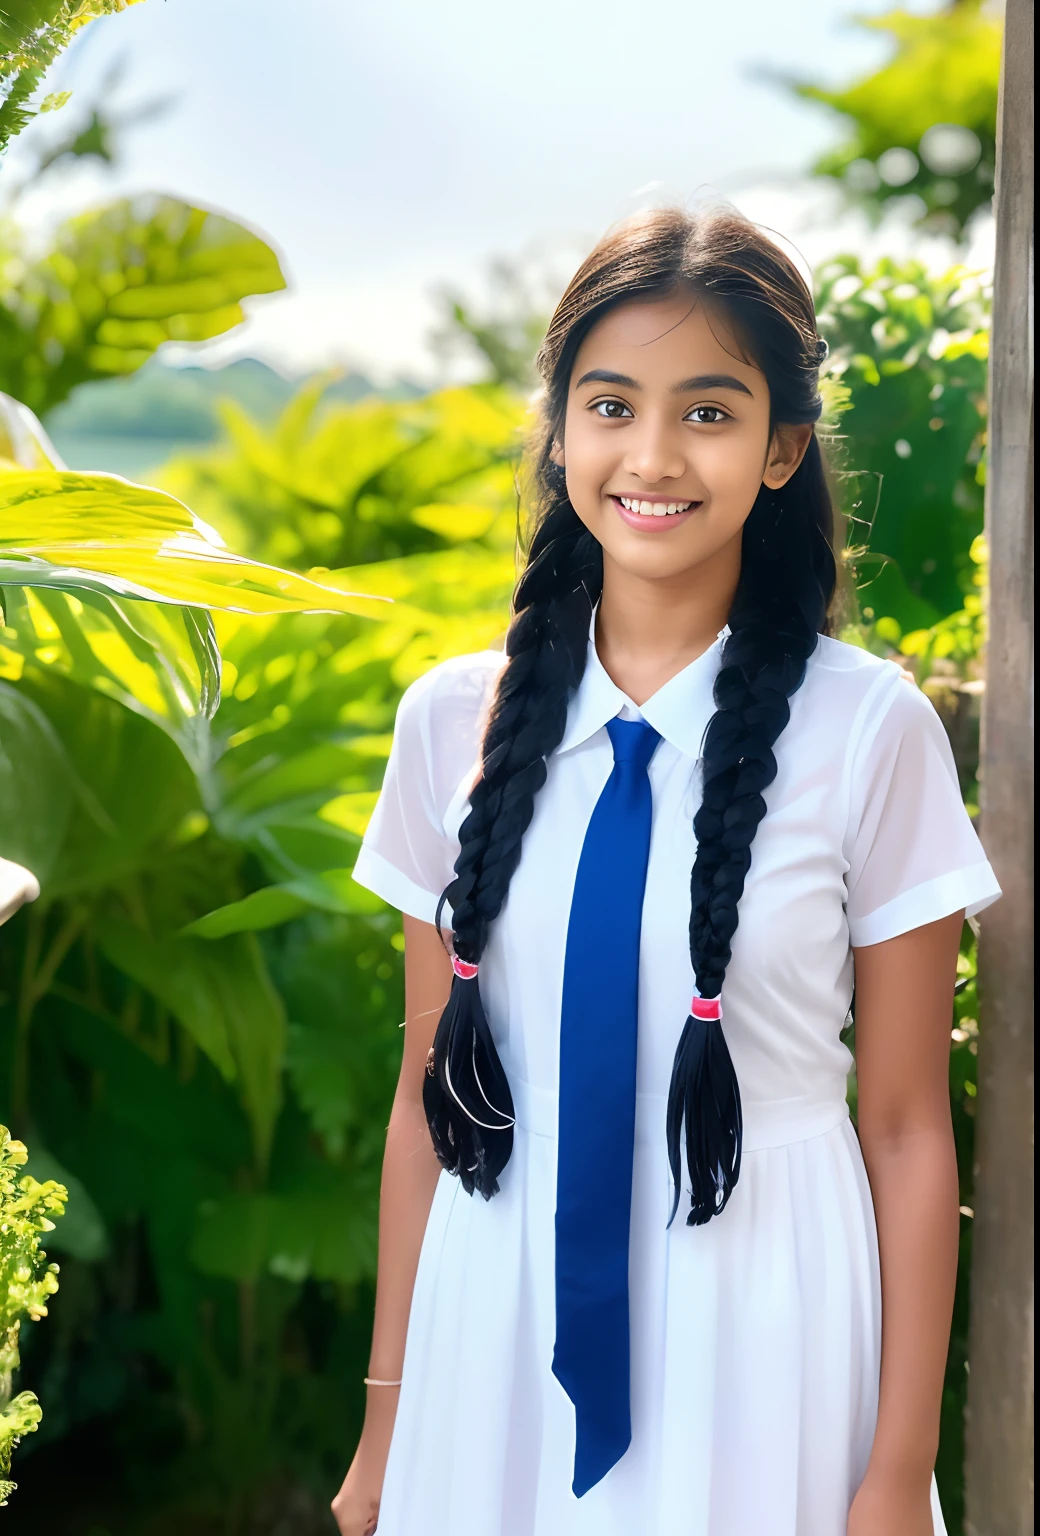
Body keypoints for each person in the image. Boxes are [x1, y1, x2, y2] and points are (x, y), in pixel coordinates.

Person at [330, 207, 1000, 1536]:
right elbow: (427, 1105)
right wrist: (389, 1424)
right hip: (496, 1325)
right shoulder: (445, 723)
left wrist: (892, 1474)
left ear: (781, 447)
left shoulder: (869, 734)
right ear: (562, 430)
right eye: (611, 404)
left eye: (707, 412)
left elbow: (912, 1130)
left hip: (763, 1326)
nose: (651, 456)